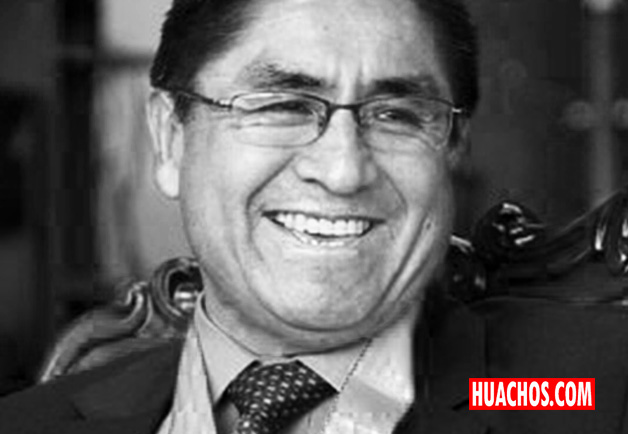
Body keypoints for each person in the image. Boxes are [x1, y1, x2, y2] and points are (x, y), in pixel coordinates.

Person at [2, 0, 628, 433]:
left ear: (452, 148)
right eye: (282, 105)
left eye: (397, 115)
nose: (343, 170)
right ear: (171, 138)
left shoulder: (592, 389)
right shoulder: (30, 423)